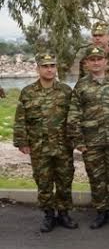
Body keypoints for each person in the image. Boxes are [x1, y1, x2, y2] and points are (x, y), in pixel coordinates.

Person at [13, 52, 78, 232]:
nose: (49, 69)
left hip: (62, 145)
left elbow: (73, 118)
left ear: (56, 68)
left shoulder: (66, 91)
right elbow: (20, 119)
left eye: (52, 66)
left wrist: (76, 140)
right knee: (44, 182)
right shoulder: (28, 92)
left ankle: (64, 214)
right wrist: (21, 141)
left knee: (65, 180)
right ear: (38, 69)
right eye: (45, 66)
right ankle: (49, 215)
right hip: (39, 147)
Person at [67, 46, 109, 229]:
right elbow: (74, 114)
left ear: (105, 62)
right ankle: (101, 212)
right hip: (91, 141)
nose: (95, 62)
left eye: (99, 59)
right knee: (96, 177)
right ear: (86, 64)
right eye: (92, 59)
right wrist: (78, 141)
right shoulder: (81, 85)